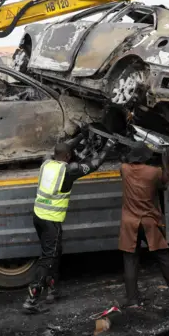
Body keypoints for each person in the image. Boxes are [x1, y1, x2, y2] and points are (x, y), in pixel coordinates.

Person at [23, 132, 117, 313]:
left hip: (38, 217)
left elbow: (65, 147)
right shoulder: (68, 170)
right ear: (67, 156)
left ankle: (52, 289)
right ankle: (31, 299)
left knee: (53, 252)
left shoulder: (46, 162)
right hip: (51, 220)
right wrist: (108, 146)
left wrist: (82, 134)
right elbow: (94, 165)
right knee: (48, 258)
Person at [118, 142, 169, 308]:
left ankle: (132, 299)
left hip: (129, 222)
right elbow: (164, 183)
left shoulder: (124, 169)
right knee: (162, 256)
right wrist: (165, 161)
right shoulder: (154, 172)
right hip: (148, 222)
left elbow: (125, 162)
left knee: (130, 260)